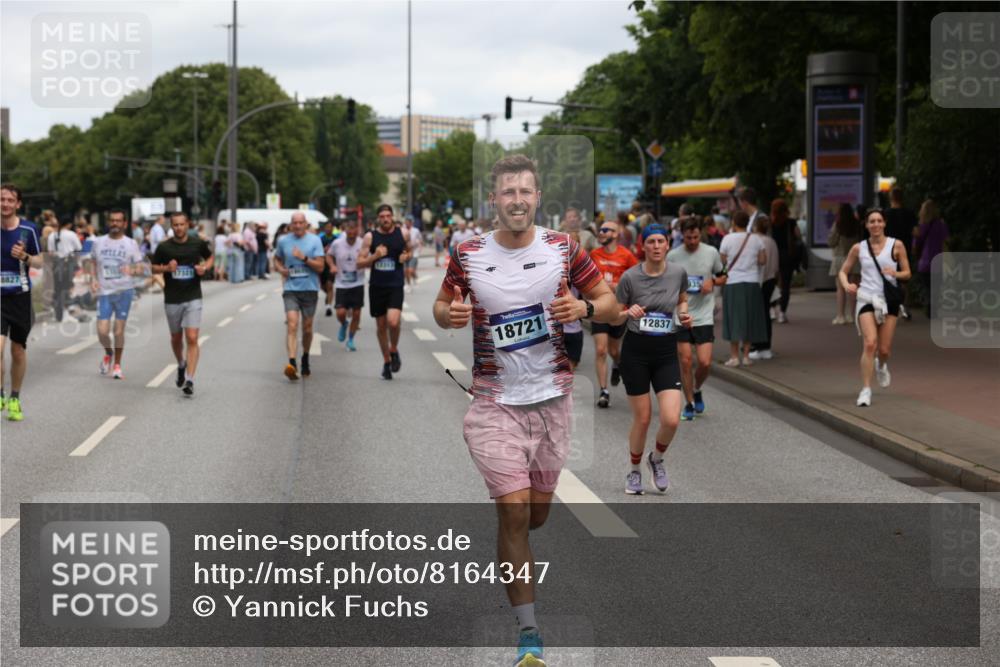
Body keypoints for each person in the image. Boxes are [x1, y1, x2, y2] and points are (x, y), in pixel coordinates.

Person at [433, 154, 615, 667]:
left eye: (524, 192)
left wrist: (584, 308)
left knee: (536, 514)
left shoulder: (564, 248)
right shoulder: (468, 254)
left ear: (538, 198)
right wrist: (451, 315)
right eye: (507, 192)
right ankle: (529, 633)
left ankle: (516, 544)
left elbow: (610, 303)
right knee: (513, 511)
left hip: (552, 400)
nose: (516, 200)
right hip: (493, 402)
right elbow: (441, 306)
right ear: (494, 199)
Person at [613, 224, 692, 494]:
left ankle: (656, 459)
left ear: (668, 244)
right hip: (636, 352)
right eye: (651, 242)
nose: (656, 246)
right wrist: (627, 312)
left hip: (666, 351)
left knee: (671, 419)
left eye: (660, 241)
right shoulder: (630, 278)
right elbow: (613, 316)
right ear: (643, 245)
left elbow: (682, 299)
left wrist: (683, 314)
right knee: (643, 418)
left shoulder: (678, 273)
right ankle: (634, 471)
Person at [838, 208, 911, 407]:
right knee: (870, 343)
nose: (876, 224)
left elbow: (907, 272)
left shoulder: (897, 245)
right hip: (866, 298)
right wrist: (847, 284)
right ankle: (866, 390)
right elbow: (843, 271)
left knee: (884, 349)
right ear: (866, 225)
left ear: (884, 223)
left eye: (879, 220)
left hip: (889, 300)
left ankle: (882, 364)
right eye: (872, 221)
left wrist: (895, 274)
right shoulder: (859, 248)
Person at [668, 217, 725, 420]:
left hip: (703, 314)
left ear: (700, 234)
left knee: (705, 362)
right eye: (688, 237)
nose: (692, 241)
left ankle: (697, 388)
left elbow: (723, 275)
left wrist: (713, 282)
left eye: (695, 237)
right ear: (682, 235)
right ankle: (689, 403)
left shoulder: (711, 252)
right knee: (685, 361)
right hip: (681, 314)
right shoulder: (673, 256)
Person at [151, 212, 213, 396]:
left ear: (187, 225)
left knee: (192, 338)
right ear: (171, 226)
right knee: (176, 338)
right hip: (172, 298)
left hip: (193, 296)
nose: (179, 228)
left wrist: (204, 268)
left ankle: (190, 379)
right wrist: (166, 268)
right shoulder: (164, 247)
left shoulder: (197, 243)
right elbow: (153, 267)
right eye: (175, 225)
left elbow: (210, 257)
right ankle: (181, 363)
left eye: (181, 224)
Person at [0, 183, 43, 421]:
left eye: (10, 200)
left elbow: (40, 262)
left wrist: (25, 256)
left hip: (20, 297)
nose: (5, 204)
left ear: (18, 204)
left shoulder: (28, 230)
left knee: (17, 350)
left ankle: (15, 397)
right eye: (1, 199)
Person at [357, 204, 412, 380]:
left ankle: (393, 349)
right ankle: (387, 361)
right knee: (381, 326)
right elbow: (359, 263)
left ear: (392, 217)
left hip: (395, 285)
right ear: (378, 218)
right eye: (382, 216)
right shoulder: (370, 237)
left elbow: (409, 250)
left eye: (388, 216)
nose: (386, 219)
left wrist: (406, 256)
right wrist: (375, 256)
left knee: (393, 322)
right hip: (377, 286)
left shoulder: (403, 233)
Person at [89, 208, 144, 379]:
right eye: (112, 220)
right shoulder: (98, 242)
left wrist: (132, 270)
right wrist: (93, 279)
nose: (115, 223)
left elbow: (140, 267)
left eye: (118, 221)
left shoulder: (131, 244)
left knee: (119, 331)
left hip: (123, 291)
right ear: (108, 222)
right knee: (102, 331)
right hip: (105, 291)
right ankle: (109, 352)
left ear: (124, 224)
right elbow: (93, 263)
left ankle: (117, 365)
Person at [588, 218, 638, 408]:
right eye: (600, 230)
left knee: (614, 351)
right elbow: (586, 279)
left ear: (616, 234)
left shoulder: (627, 256)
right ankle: (604, 391)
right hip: (599, 308)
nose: (601, 232)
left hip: (618, 311)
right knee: (601, 350)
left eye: (606, 230)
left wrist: (619, 286)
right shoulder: (594, 254)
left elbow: (637, 280)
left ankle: (617, 364)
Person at [274, 212, 324, 380]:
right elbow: (276, 259)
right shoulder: (283, 241)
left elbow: (321, 267)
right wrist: (280, 269)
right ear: (290, 224)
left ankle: (305, 358)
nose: (297, 226)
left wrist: (304, 258)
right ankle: (292, 363)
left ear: (306, 224)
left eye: (300, 222)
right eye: (294, 223)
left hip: (310, 289)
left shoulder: (315, 240)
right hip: (291, 290)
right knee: (292, 324)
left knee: (307, 328)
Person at [719, 210, 767, 366]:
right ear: (747, 223)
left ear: (733, 222)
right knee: (749, 319)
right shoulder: (756, 239)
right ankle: (746, 356)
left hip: (733, 282)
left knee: (734, 319)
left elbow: (723, 262)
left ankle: (734, 356)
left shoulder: (727, 239)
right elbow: (763, 260)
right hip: (752, 282)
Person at [327, 218, 366, 351]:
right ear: (345, 230)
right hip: (341, 284)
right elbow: (328, 255)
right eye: (349, 231)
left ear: (358, 231)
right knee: (340, 313)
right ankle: (344, 324)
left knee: (356, 314)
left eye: (354, 231)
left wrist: (367, 262)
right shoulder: (337, 243)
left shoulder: (362, 243)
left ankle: (350, 340)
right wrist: (332, 266)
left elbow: (369, 258)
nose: (352, 234)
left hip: (358, 283)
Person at [748, 215, 779, 361]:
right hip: (770, 280)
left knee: (756, 315)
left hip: (757, 280)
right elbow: (776, 265)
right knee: (765, 313)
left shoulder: (754, 241)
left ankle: (757, 345)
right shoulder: (772, 241)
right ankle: (766, 347)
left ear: (755, 226)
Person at [912, 199, 948, 318]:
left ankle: (930, 308)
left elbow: (916, 244)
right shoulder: (941, 225)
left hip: (925, 261)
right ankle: (934, 309)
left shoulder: (922, 226)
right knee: (936, 286)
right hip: (938, 259)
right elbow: (945, 241)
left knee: (928, 286)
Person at [769, 198, 801, 323]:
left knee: (771, 283)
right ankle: (782, 313)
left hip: (772, 256)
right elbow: (798, 236)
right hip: (787, 256)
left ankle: (772, 310)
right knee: (786, 285)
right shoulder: (791, 222)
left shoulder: (770, 223)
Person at [828, 203, 861, 325]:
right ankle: (852, 316)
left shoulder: (838, 225)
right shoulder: (857, 225)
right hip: (854, 259)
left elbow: (831, 241)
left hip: (840, 259)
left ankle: (840, 316)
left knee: (841, 289)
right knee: (852, 289)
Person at [47, 214, 83, 322]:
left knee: (58, 289)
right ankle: (66, 311)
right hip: (68, 263)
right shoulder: (71, 234)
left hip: (56, 264)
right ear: (69, 224)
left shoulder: (52, 235)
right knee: (68, 287)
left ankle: (58, 314)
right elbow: (78, 249)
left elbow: (50, 252)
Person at [318, 221, 337, 317]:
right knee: (322, 286)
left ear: (333, 228)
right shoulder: (320, 239)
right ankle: (330, 294)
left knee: (329, 284)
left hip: (331, 265)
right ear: (324, 229)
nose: (328, 229)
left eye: (330, 227)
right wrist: (323, 250)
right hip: (322, 265)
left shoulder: (336, 239)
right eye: (327, 227)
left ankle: (328, 306)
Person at [402, 217, 422, 291]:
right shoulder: (402, 229)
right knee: (405, 271)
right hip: (405, 252)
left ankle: (414, 277)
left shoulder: (416, 230)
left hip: (414, 252)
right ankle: (408, 284)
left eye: (408, 222)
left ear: (411, 223)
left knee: (410, 270)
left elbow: (420, 240)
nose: (406, 223)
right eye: (406, 222)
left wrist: (419, 248)